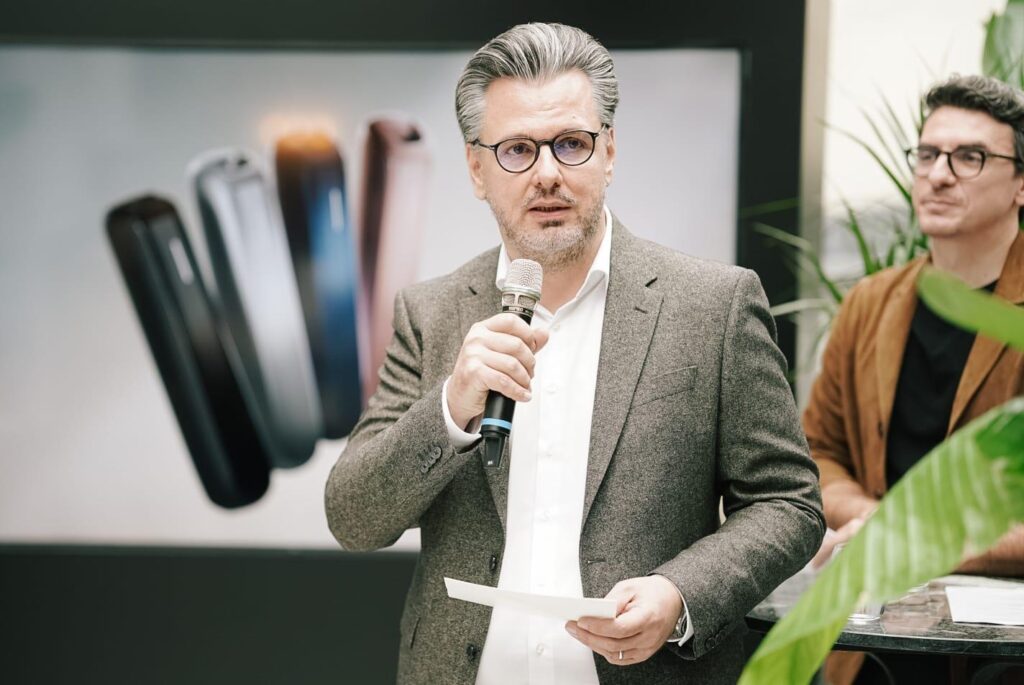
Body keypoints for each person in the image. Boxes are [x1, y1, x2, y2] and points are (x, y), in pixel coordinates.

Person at [326, 22, 824, 685]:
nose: (548, 174)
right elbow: (354, 517)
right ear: (476, 169)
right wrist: (449, 407)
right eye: (517, 150)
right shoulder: (431, 311)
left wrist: (679, 594)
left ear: (608, 151)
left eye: (571, 144)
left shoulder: (714, 305)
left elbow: (788, 503)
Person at [803, 74, 1024, 685]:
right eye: (927, 154)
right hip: (870, 640)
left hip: (1000, 655)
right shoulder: (870, 303)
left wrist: (926, 540)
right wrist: (871, 517)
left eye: (970, 157)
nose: (939, 174)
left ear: (1020, 184)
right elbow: (817, 453)